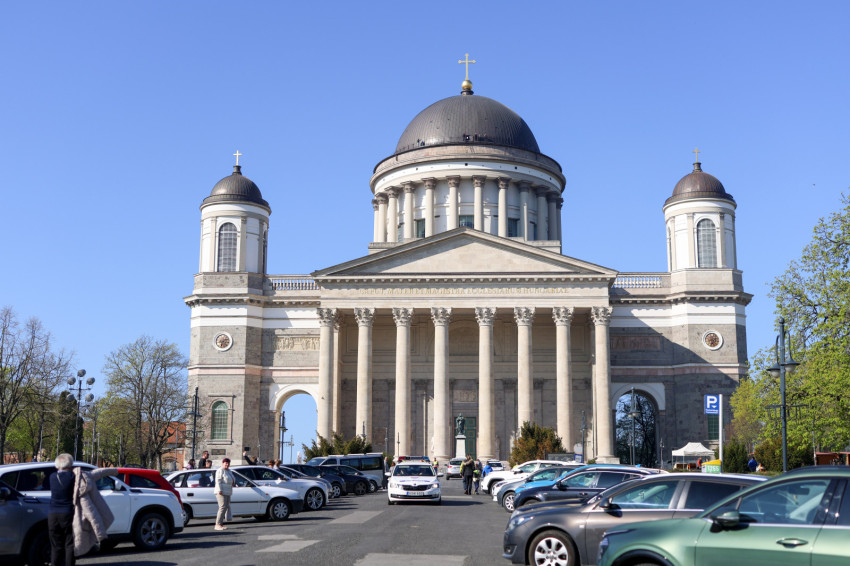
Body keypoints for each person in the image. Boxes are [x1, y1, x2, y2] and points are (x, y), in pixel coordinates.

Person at [49, 453, 76, 566]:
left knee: (55, 546)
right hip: (67, 513)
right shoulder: (72, 477)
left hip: (53, 514)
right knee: (69, 544)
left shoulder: (52, 477)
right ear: (70, 465)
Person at [214, 457, 234, 530]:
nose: (227, 464)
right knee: (222, 507)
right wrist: (219, 489)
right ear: (223, 463)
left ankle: (221, 523)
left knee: (225, 507)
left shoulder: (229, 471)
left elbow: (232, 479)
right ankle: (217, 524)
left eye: (228, 463)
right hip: (221, 492)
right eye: (226, 463)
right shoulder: (220, 470)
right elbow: (218, 481)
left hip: (227, 491)